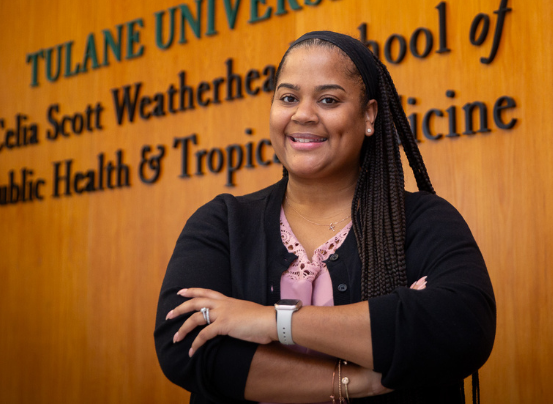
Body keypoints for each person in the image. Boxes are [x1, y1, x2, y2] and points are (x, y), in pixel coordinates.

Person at [155, 31, 496, 403]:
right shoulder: (222, 223)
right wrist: (359, 381)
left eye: (328, 99)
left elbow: (461, 329)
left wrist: (271, 321)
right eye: (288, 98)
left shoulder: (423, 221)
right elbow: (186, 347)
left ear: (368, 116)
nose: (303, 114)